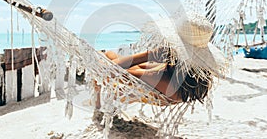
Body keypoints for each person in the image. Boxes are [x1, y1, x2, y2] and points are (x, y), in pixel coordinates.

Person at [96, 12, 228, 108]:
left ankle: (97, 103)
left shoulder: (162, 77)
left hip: (152, 89)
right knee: (109, 54)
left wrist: (150, 54)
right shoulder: (198, 77)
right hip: (164, 85)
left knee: (103, 58)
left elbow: (109, 72)